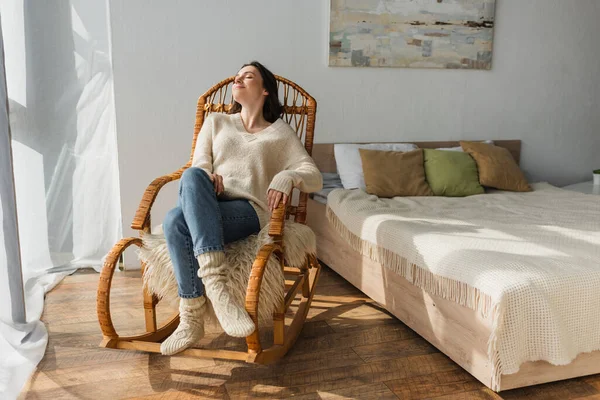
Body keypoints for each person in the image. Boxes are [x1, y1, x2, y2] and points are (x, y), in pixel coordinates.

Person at [160, 61, 323, 355]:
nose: (238, 79)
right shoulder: (216, 122)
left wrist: (288, 176)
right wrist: (208, 176)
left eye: (247, 76)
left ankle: (194, 314)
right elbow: (199, 164)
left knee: (174, 221)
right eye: (237, 76)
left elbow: (314, 177)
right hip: (208, 203)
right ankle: (210, 295)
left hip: (247, 211)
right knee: (191, 180)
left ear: (264, 91)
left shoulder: (280, 133)